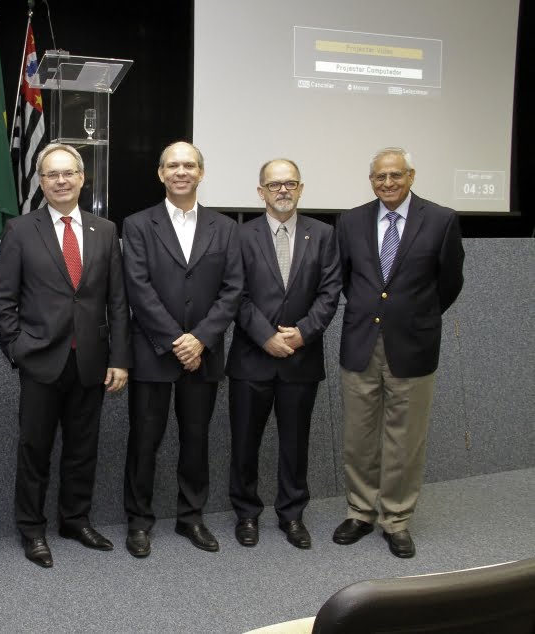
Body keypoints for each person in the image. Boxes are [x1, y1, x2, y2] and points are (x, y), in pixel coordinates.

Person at [0, 143, 130, 568]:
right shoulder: (20, 230)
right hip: (40, 360)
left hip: (91, 360)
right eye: (52, 174)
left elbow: (117, 302)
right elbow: (3, 298)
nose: (61, 181)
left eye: (68, 173)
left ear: (82, 178)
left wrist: (119, 358)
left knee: (83, 448)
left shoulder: (104, 230)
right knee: (35, 449)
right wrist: (17, 349)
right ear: (41, 180)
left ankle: (75, 519)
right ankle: (32, 530)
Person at [333, 147, 464, 558]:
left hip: (414, 346)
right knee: (359, 437)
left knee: (405, 439)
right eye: (379, 177)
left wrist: (413, 316)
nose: (387, 183)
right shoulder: (351, 220)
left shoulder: (441, 220)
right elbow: (343, 278)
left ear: (411, 175)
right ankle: (359, 512)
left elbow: (450, 283)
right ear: (370, 180)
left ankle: (396, 519)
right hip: (360, 344)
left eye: (395, 175)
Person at [121, 141, 242, 558]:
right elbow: (138, 287)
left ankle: (192, 517)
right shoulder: (137, 225)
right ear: (160, 173)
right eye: (172, 165)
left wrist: (201, 339)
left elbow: (233, 290)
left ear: (201, 173)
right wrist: (176, 340)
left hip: (203, 355)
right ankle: (138, 522)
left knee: (196, 440)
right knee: (144, 442)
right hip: (154, 353)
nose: (181, 171)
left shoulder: (226, 228)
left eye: (189, 165)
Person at [225, 159, 341, 550]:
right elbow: (233, 294)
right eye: (274, 185)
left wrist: (302, 334)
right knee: (244, 442)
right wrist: (265, 337)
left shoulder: (324, 235)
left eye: (290, 183)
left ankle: (292, 515)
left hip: (300, 359)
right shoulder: (239, 236)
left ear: (301, 188)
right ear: (260, 192)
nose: (282, 191)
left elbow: (330, 293)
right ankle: (245, 514)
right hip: (251, 358)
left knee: (295, 443)